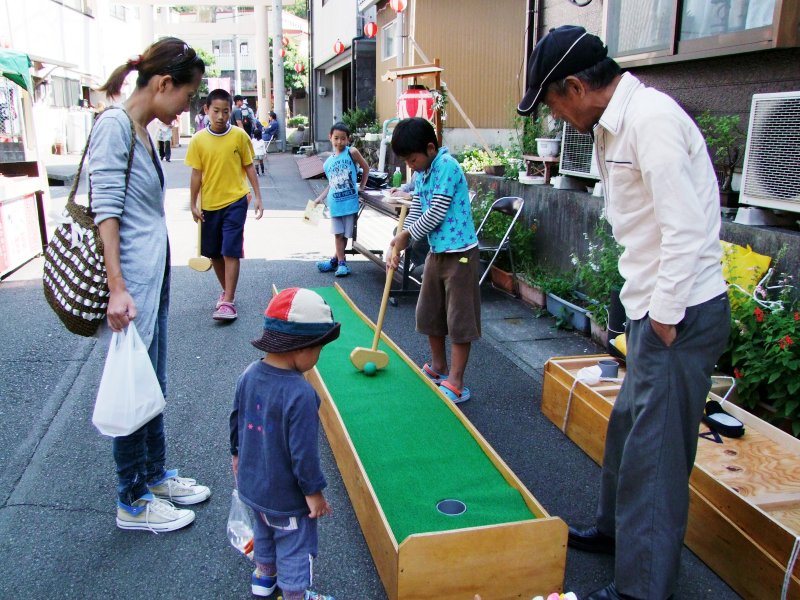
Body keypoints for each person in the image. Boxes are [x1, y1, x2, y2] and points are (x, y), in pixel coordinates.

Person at [517, 26, 731, 600]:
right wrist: (636, 311)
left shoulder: (651, 121)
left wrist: (661, 319)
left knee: (654, 461)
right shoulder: (615, 125)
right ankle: (618, 535)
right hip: (655, 311)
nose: (555, 118)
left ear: (576, 85)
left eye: (552, 104)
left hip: (680, 314)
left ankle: (641, 588)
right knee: (628, 433)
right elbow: (643, 232)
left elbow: (687, 231)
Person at [90, 37, 211, 532]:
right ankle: (132, 499)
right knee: (133, 388)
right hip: (132, 286)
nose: (187, 106)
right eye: (187, 95)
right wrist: (117, 287)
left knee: (153, 384)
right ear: (164, 84)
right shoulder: (115, 126)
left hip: (150, 280)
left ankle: (155, 475)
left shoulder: (139, 130)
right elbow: (107, 210)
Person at [230, 287, 340, 600]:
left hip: (253, 485)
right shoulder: (301, 395)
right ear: (301, 348)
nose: (318, 357)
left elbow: (235, 420)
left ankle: (264, 579)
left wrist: (236, 457)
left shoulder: (249, 373)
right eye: (319, 348)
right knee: (294, 545)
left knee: (264, 532)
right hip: (287, 496)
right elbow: (303, 454)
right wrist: (314, 494)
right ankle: (294, 595)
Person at [387, 117, 480, 405]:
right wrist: (400, 241)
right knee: (430, 311)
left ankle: (456, 380)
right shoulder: (423, 173)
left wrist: (406, 237)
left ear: (430, 148)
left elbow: (437, 213)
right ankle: (439, 367)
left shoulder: (447, 168)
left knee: (458, 318)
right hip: (437, 252)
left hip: (460, 254)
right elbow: (417, 208)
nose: (410, 165)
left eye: (412, 159)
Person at [185, 88, 264, 321]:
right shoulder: (198, 140)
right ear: (206, 110)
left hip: (236, 200)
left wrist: (257, 196)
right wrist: (193, 203)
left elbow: (250, 166)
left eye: (226, 111)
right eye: (216, 111)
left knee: (230, 249)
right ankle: (227, 291)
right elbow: (196, 174)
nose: (221, 116)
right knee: (214, 253)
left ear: (231, 111)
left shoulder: (240, 136)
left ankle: (228, 301)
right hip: (209, 204)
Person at [313, 122, 369, 277]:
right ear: (330, 137)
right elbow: (331, 184)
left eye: (343, 138)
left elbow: (366, 167)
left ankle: (334, 260)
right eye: (336, 138)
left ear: (348, 139)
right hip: (335, 203)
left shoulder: (352, 152)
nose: (339, 142)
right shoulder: (327, 163)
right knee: (338, 234)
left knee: (344, 235)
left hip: (350, 202)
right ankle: (342, 263)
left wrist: (362, 187)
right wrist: (319, 198)